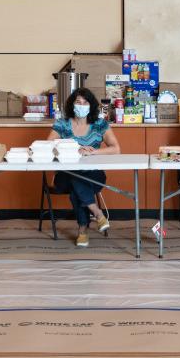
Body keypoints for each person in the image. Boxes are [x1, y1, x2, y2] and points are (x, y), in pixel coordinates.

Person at [47, 88, 121, 247]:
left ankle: (83, 230)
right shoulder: (62, 123)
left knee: (77, 184)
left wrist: (94, 152)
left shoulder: (100, 124)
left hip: (94, 175)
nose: (81, 105)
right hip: (63, 175)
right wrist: (74, 150)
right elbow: (48, 146)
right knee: (75, 177)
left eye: (85, 102)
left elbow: (116, 148)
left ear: (91, 105)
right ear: (71, 105)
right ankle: (97, 213)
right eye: (78, 102)